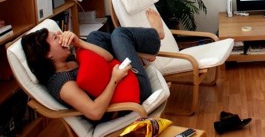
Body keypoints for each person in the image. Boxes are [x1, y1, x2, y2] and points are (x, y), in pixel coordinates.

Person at [21, 8, 165, 122]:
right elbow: (95, 112)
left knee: (94, 37)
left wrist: (79, 43)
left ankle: (140, 51)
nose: (61, 36)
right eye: (55, 38)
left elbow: (107, 57)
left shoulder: (68, 60)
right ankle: (155, 36)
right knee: (120, 34)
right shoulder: (63, 84)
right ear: (48, 54)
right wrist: (115, 79)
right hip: (134, 93)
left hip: (120, 76)